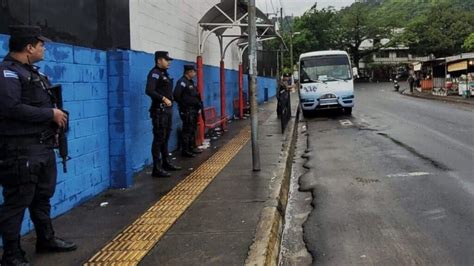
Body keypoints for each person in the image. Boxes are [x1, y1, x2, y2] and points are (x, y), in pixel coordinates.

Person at [0, 25, 77, 266]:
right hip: (21, 149)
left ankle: (46, 239)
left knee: (42, 197)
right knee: (17, 201)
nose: (44, 48)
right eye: (41, 44)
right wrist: (49, 114)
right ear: (28, 47)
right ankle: (11, 254)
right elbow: (10, 108)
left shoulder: (32, 73)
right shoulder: (8, 73)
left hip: (41, 148)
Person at [145, 51, 181, 178]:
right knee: (159, 139)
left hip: (167, 111)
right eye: (166, 60)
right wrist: (163, 99)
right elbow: (149, 90)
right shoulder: (154, 73)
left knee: (165, 138)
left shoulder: (163, 74)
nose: (169, 62)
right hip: (159, 111)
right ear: (159, 60)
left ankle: (166, 162)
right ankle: (157, 167)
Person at [173, 65, 203, 157]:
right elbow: (176, 95)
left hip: (193, 110)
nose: (194, 73)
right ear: (189, 72)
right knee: (187, 130)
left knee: (192, 129)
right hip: (187, 110)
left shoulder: (190, 82)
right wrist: (184, 105)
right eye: (193, 72)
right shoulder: (182, 82)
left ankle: (192, 147)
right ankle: (185, 150)